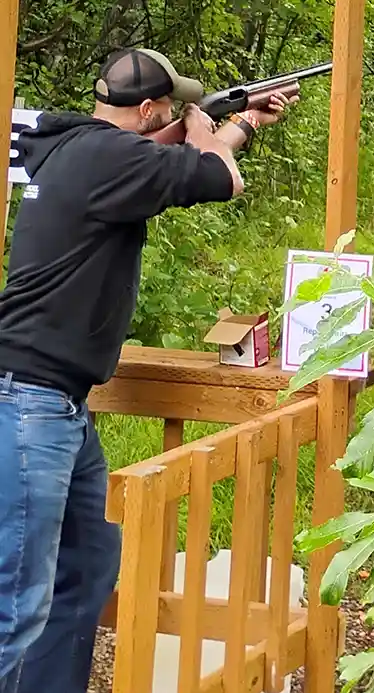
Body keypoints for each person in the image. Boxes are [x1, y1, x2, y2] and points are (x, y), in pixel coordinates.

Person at [0, 47, 293, 692]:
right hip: (29, 402)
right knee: (14, 606)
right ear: (153, 110)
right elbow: (220, 179)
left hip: (60, 405)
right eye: (172, 108)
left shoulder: (80, 149)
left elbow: (188, 163)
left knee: (87, 569)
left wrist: (235, 123)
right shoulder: (110, 158)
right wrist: (208, 131)